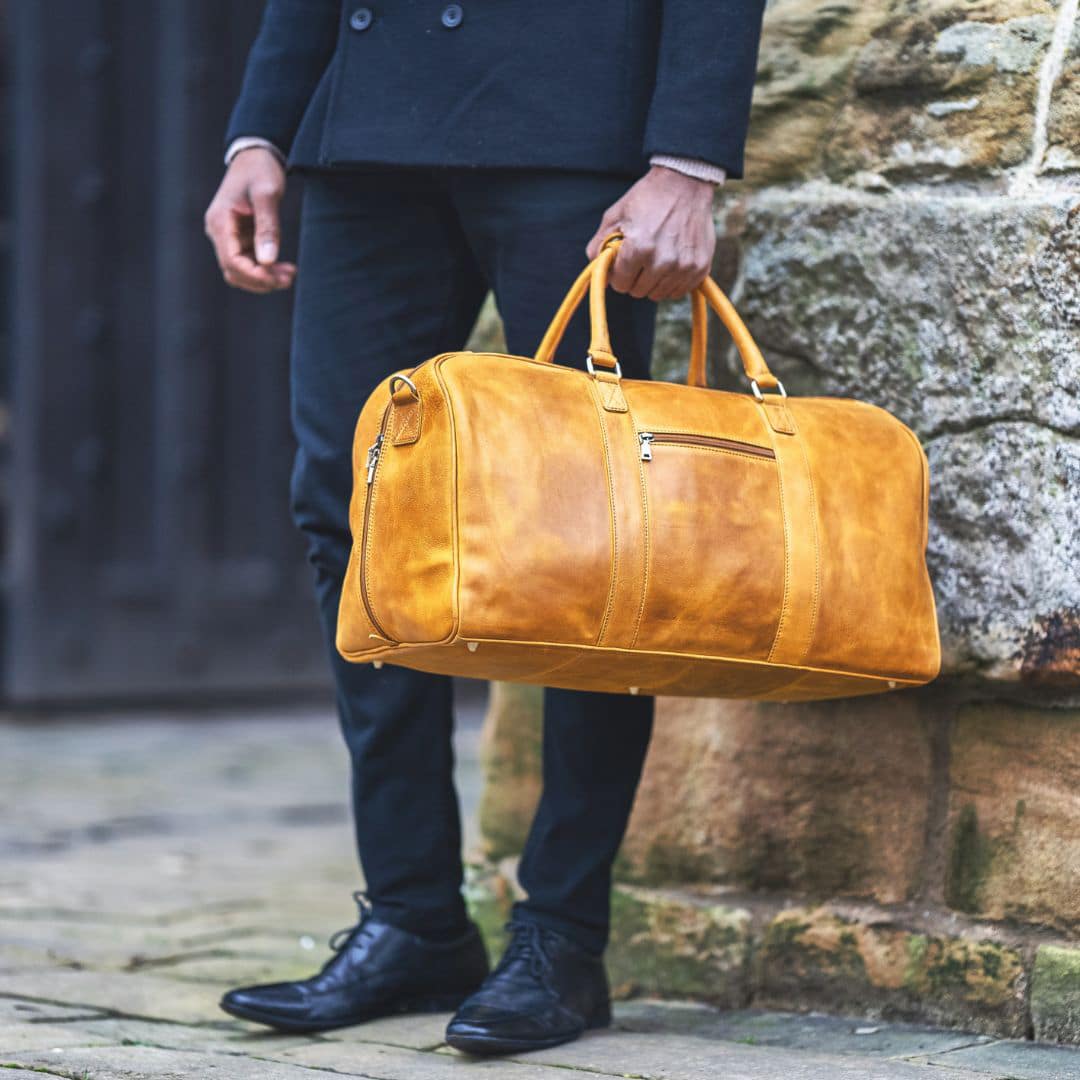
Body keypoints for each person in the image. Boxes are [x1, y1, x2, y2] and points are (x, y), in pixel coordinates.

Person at [204, 0, 765, 1056]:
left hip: (573, 128)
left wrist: (687, 159)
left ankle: (561, 938)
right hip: (366, 132)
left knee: (588, 535)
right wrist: (259, 129)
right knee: (354, 506)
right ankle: (415, 917)